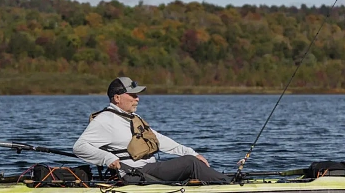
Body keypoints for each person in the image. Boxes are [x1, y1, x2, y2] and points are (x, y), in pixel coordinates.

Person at [73, 76, 230, 184]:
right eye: (132, 95)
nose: (137, 98)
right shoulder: (105, 120)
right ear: (117, 98)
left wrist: (192, 152)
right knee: (190, 164)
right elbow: (79, 147)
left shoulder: (133, 117)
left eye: (137, 95)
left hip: (149, 170)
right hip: (134, 173)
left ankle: (222, 181)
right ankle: (228, 185)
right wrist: (107, 158)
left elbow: (158, 139)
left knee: (191, 159)